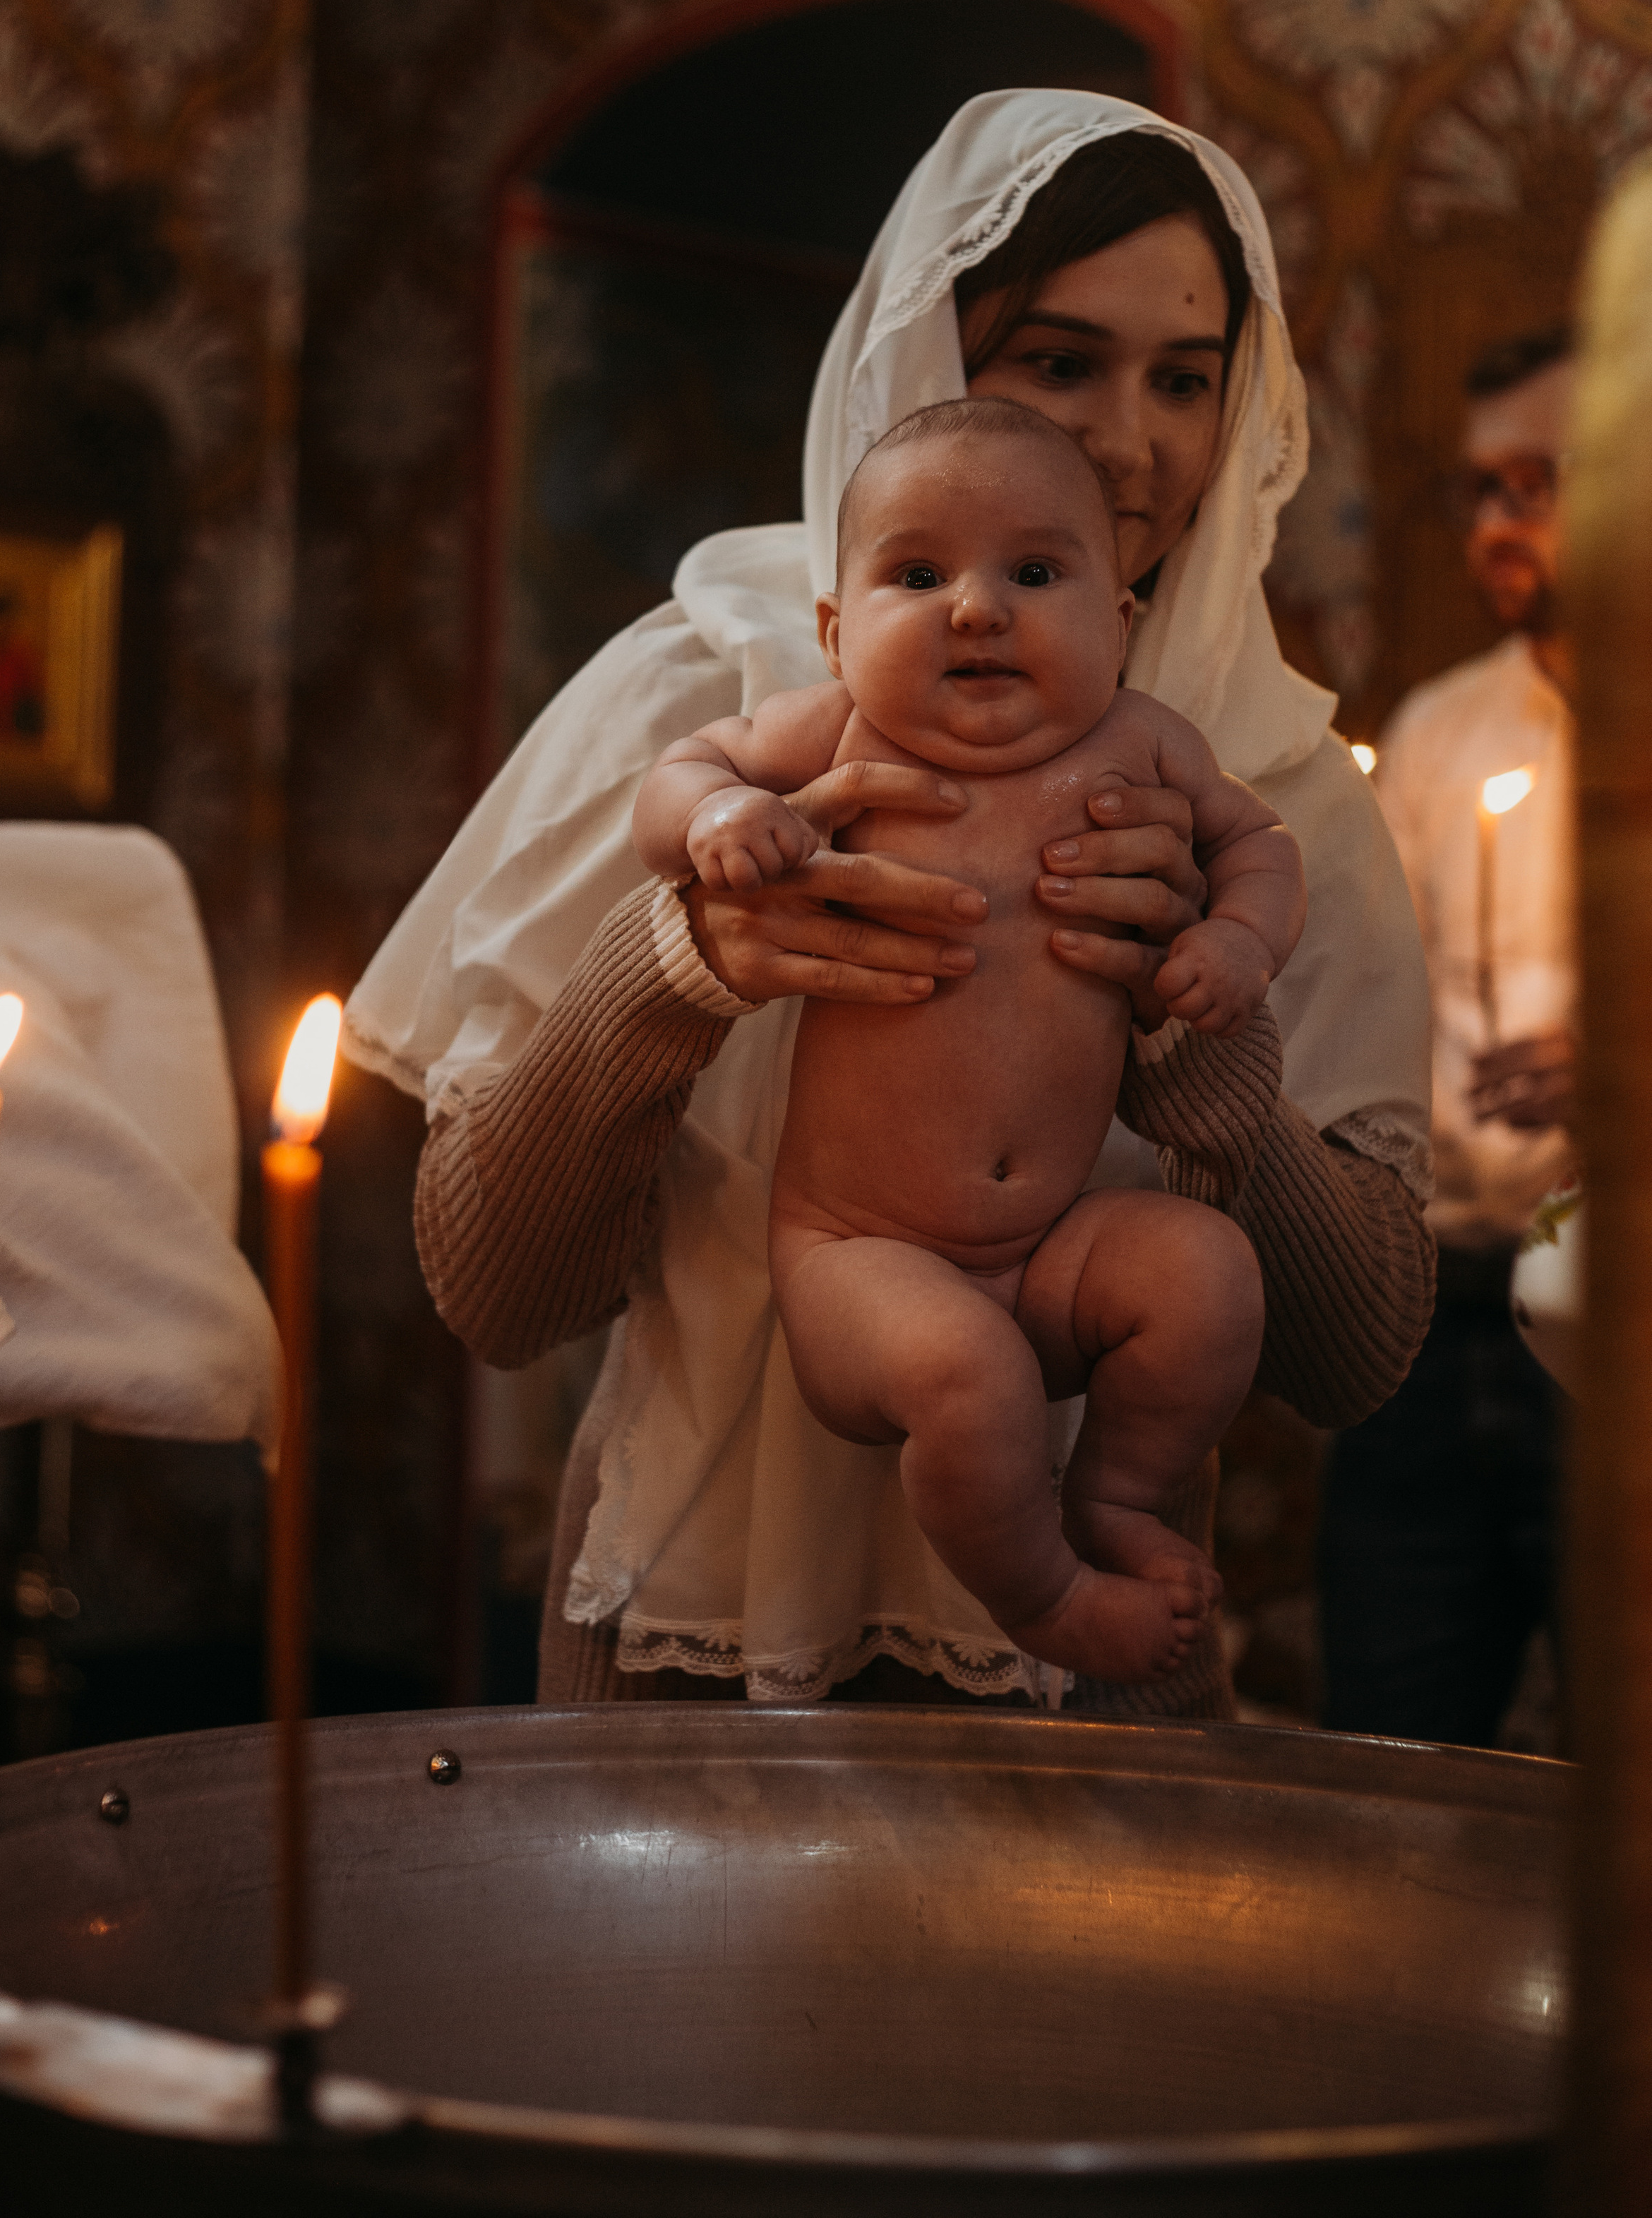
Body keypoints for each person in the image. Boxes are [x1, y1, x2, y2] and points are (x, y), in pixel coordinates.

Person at [345, 92, 1435, 1720]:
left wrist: (1199, 1047)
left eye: (1183, 380)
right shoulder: (702, 691)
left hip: (1086, 1690)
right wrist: (682, 964)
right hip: (677, 1663)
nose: (1127, 442)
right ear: (920, 369)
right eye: (1057, 363)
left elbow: (1350, 1360)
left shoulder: (1266, 774)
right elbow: (498, 1297)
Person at [633, 397, 1304, 1682]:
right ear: (836, 634)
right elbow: (682, 770)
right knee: (968, 1373)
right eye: (918, 574)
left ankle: (1111, 1499)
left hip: (1053, 1248)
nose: (977, 610)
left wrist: (1237, 945)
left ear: (1120, 621)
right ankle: (1046, 1599)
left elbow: (1259, 845)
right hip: (860, 1257)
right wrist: (719, 814)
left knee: (1204, 1271)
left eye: (1036, 572)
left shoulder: (1149, 746)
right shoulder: (834, 733)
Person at [1319, 328, 1574, 1746]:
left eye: (1535, 483)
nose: (1493, 525)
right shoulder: (1437, 730)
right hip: (1431, 1320)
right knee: (1393, 1736)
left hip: (1624, 1323)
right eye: (1474, 490)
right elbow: (1367, 1010)